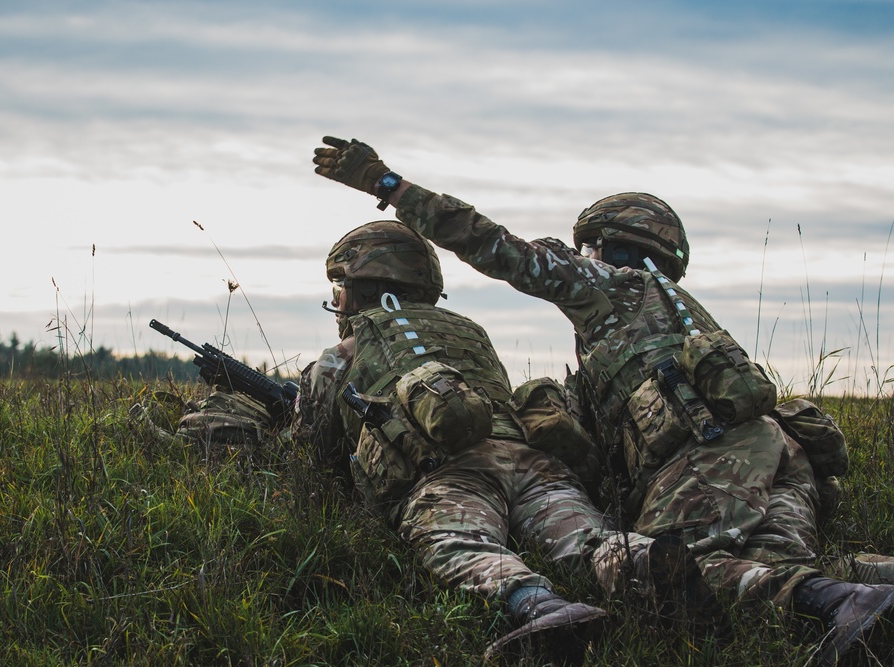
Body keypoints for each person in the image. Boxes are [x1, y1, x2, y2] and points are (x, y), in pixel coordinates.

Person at [311, 136, 894, 666]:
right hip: (785, 450)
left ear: (594, 247)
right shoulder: (675, 304)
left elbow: (490, 243)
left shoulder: (604, 285)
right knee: (776, 575)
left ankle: (849, 595)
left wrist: (388, 186)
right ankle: (857, 595)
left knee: (673, 574)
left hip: (715, 457)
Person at [294, 219, 724, 662]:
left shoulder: (342, 354)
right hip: (535, 461)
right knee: (585, 538)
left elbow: (312, 455)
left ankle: (540, 607)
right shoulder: (470, 332)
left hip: (450, 475)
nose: (337, 301)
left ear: (361, 287)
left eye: (339, 288)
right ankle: (642, 562)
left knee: (458, 542)